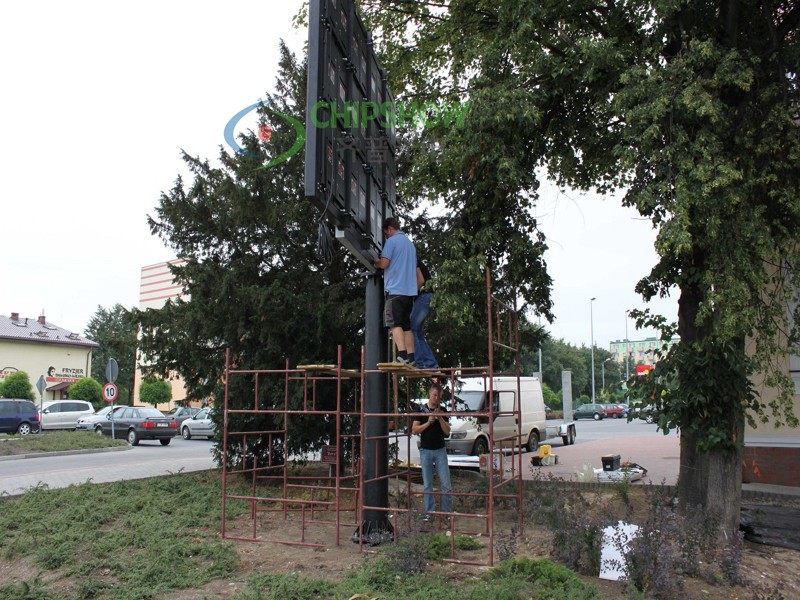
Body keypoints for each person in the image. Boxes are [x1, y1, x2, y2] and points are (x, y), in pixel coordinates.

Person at [374, 217, 417, 365]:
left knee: (394, 324)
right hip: (409, 292)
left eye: (386, 233)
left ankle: (402, 356)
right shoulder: (410, 245)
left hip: (395, 290)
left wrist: (376, 261)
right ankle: (411, 358)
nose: (387, 236)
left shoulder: (392, 242)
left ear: (390, 229)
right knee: (406, 326)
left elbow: (384, 263)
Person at [411, 382, 452, 517]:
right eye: (434, 395)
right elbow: (415, 429)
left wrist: (439, 418)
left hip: (440, 450)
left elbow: (447, 432)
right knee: (427, 484)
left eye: (438, 396)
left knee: (446, 484)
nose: (436, 398)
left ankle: (446, 513)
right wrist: (428, 422)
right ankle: (429, 512)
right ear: (429, 394)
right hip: (426, 450)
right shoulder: (420, 410)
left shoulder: (443, 410)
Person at [410, 257, 438, 370]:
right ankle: (431, 363)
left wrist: (410, 294)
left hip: (424, 296)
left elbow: (421, 281)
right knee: (418, 333)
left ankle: (419, 362)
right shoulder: (414, 260)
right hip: (428, 298)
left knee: (411, 329)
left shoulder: (412, 260)